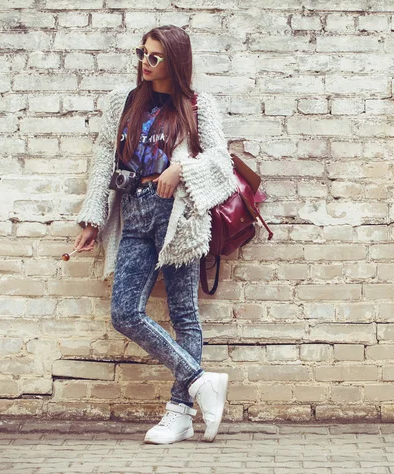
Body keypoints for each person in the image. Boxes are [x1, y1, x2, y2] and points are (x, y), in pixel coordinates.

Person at [73, 25, 238, 445]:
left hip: (177, 218)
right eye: (142, 53)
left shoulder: (196, 105)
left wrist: (181, 168)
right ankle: (201, 381)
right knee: (125, 313)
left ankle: (180, 413)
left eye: (155, 57)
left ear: (175, 61)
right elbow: (101, 160)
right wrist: (93, 218)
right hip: (134, 211)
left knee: (185, 315)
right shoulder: (124, 102)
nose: (144, 63)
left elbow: (222, 162)